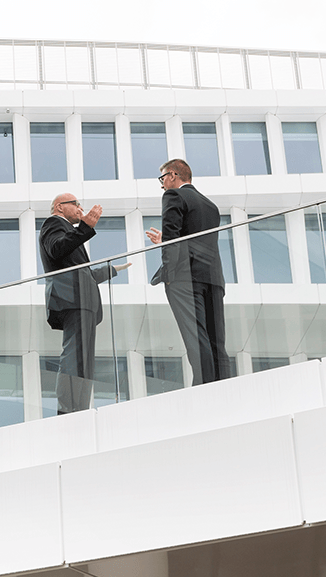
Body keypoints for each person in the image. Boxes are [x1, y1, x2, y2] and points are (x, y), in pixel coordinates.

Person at [39, 193, 129, 414]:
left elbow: (83, 273)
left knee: (85, 360)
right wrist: (85, 228)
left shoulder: (69, 231)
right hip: (71, 299)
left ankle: (79, 408)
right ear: (60, 207)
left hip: (82, 299)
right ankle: (67, 409)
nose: (80, 208)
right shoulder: (53, 223)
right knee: (74, 355)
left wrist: (110, 270)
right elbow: (56, 249)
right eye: (76, 204)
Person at [146, 159, 231, 386]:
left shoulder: (173, 196)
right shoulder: (211, 206)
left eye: (163, 178)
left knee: (196, 336)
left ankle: (203, 389)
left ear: (173, 175)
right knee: (216, 341)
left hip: (186, 278)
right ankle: (224, 387)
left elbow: (173, 240)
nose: (162, 184)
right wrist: (166, 241)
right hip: (213, 277)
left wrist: (169, 275)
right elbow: (195, 239)